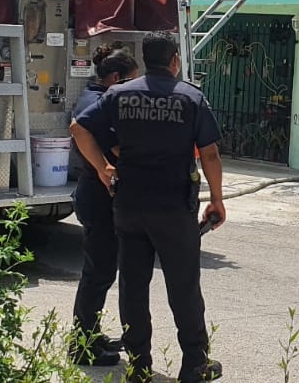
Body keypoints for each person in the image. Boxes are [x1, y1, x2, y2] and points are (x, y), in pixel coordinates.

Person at [70, 33, 225, 383]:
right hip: (172, 207)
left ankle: (139, 365)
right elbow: (211, 153)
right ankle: (194, 364)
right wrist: (217, 199)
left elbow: (79, 128)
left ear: (146, 57)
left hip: (129, 206)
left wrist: (102, 167)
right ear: (174, 60)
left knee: (133, 286)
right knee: (183, 287)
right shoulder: (191, 97)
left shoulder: (118, 94)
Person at [68, 45, 140, 367]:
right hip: (97, 197)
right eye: (130, 81)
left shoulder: (97, 98)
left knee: (102, 271)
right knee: (98, 273)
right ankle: (82, 345)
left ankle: (90, 334)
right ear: (115, 78)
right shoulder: (98, 103)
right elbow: (115, 148)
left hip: (97, 195)